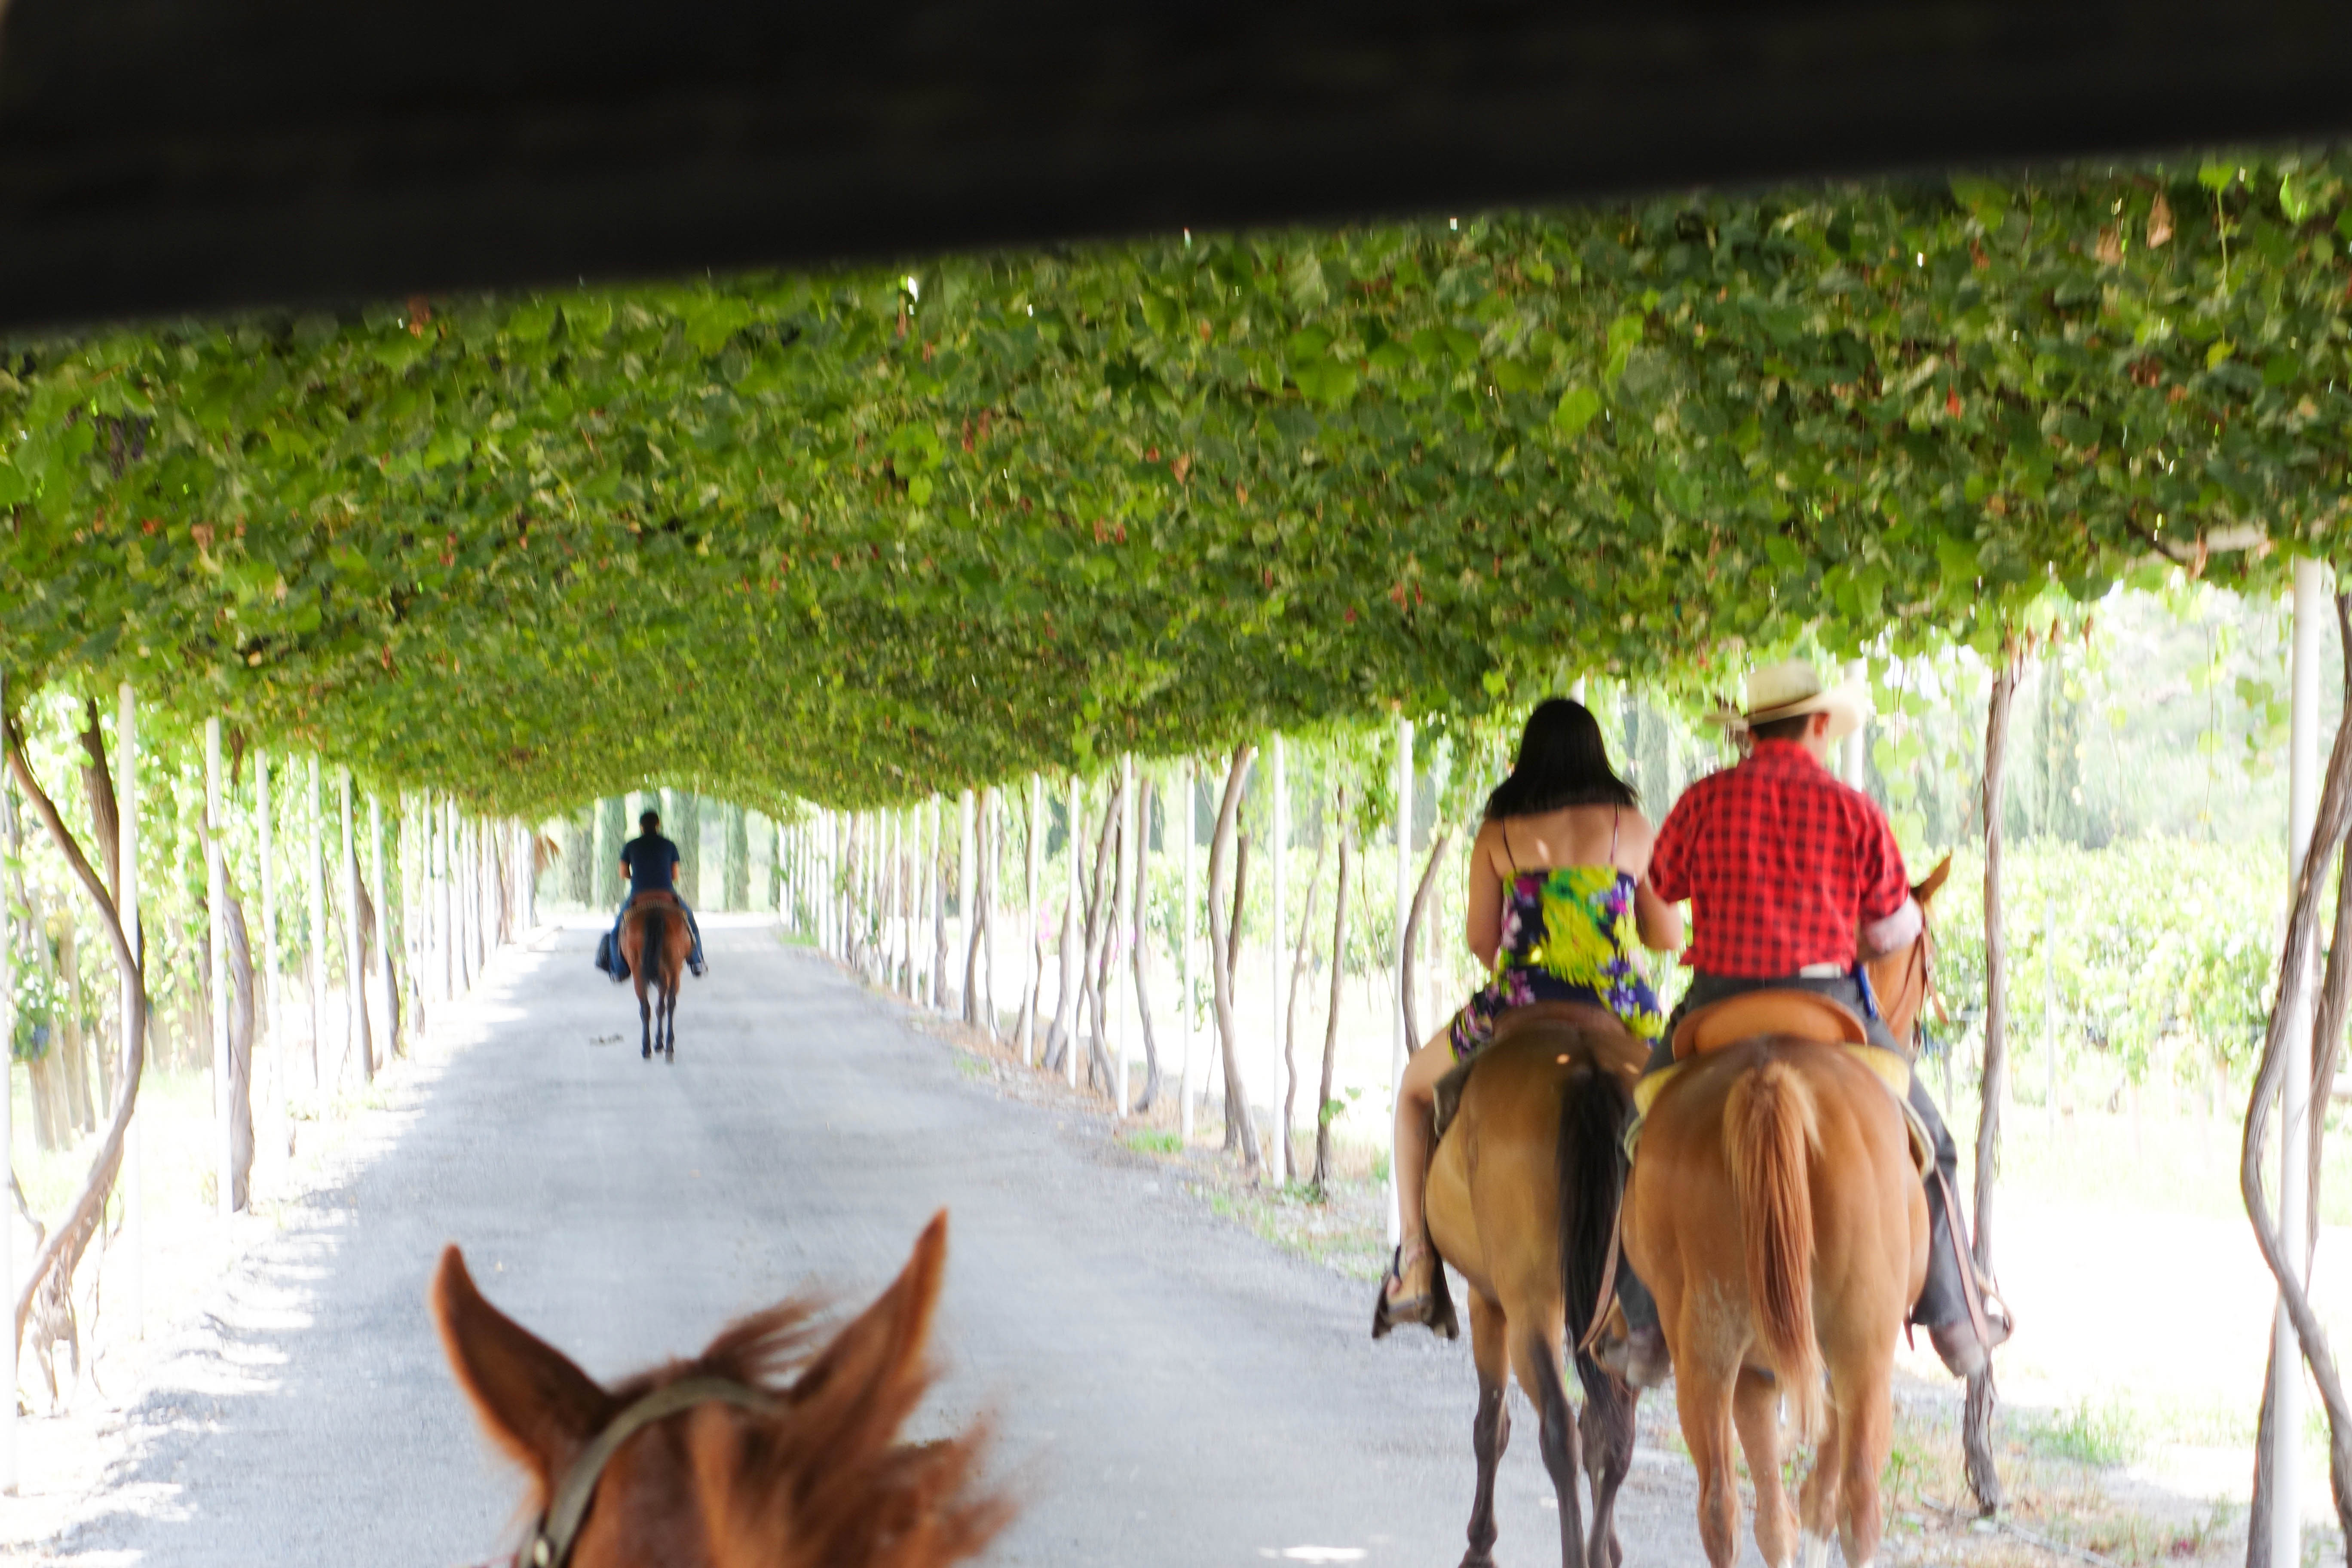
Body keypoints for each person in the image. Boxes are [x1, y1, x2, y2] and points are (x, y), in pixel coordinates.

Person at [1608, 658, 2009, 1383]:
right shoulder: (1854, 810)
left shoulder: (1702, 800)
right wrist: (1904, 911)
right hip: (1830, 1003)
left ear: (1752, 728)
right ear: (1820, 724)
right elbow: (1889, 936)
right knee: (1933, 1141)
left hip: (1717, 1003)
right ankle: (1954, 1313)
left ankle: (1639, 1326)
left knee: (1633, 1133)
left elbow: (1655, 906)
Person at [1380, 698, 1684, 1327]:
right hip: (1619, 1000)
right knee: (1693, 1106)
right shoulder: (1632, 825)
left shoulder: (1499, 830)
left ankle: (1415, 1260)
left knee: (1413, 1090)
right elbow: (1666, 936)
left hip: (1519, 997)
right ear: (1597, 752)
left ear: (1527, 758)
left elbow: (1482, 943)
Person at [601, 808, 707, 979]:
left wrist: (637, 876)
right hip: (666, 893)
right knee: (690, 924)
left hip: (638, 894)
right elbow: (675, 875)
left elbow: (623, 873)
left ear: (641, 827)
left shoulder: (631, 845)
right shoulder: (669, 845)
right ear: (658, 825)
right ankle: (697, 962)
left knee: (617, 931)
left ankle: (619, 970)